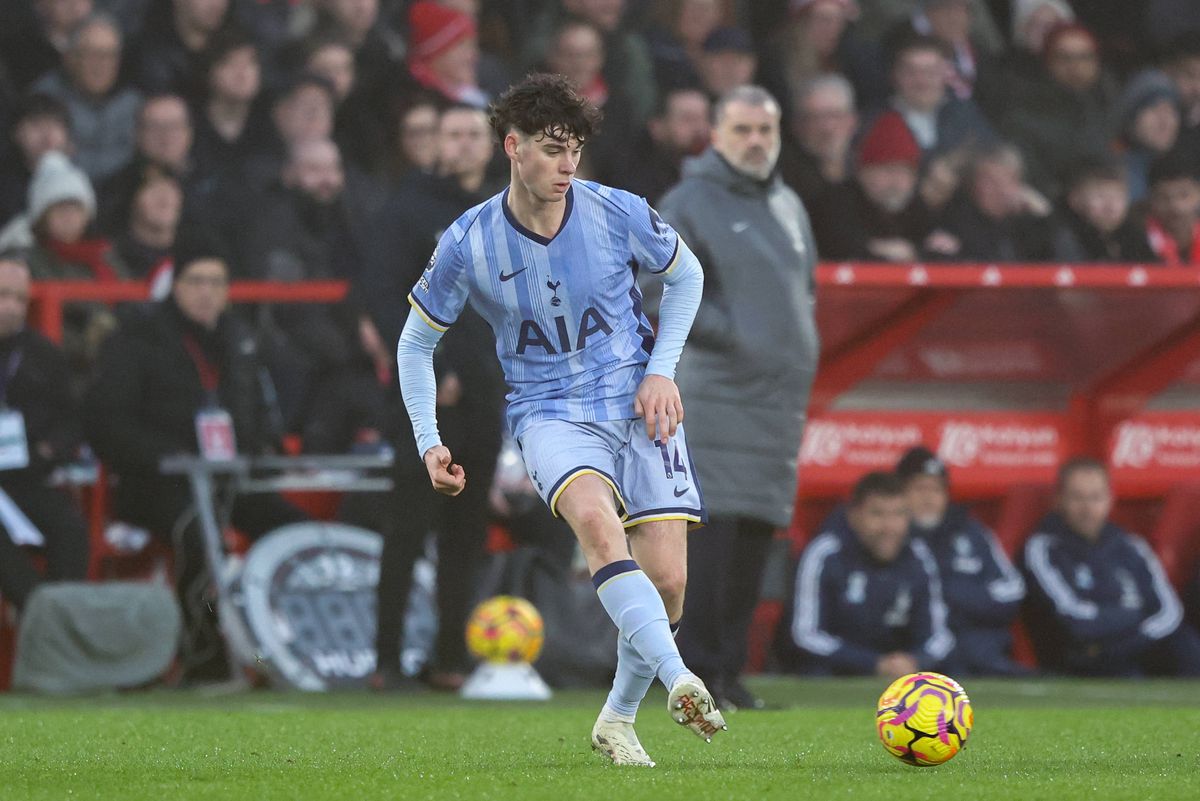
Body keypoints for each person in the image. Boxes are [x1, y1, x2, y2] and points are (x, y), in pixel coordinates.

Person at [395, 73, 723, 767]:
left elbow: (686, 274)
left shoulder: (616, 210)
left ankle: (617, 717)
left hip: (639, 400)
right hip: (549, 414)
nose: (566, 164)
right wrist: (429, 441)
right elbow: (415, 342)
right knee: (601, 531)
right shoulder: (468, 241)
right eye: (551, 149)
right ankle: (680, 680)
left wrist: (663, 368)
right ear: (512, 147)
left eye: (573, 149)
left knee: (666, 582)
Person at [657, 85, 818, 712]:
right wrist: (740, 337)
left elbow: (802, 295)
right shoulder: (688, 202)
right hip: (716, 398)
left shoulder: (788, 204)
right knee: (712, 538)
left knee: (754, 538)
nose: (756, 142)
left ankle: (728, 671)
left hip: (775, 405)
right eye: (743, 130)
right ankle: (694, 674)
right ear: (717, 135)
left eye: (766, 130)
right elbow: (654, 288)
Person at [83, 233, 306, 682]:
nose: (207, 292)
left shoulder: (238, 339)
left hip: (227, 480)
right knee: (196, 532)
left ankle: (290, 651)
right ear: (175, 285)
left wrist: (263, 446)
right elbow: (105, 422)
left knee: (294, 531)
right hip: (157, 483)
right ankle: (203, 658)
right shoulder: (136, 339)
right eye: (196, 281)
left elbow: (257, 412)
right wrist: (168, 456)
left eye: (217, 282)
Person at [359, 104, 506, 692]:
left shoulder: (507, 208)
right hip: (426, 397)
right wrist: (430, 364)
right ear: (436, 143)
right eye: (454, 134)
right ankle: (387, 658)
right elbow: (380, 292)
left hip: (487, 393)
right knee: (408, 526)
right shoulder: (406, 209)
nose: (465, 145)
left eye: (476, 134)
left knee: (468, 530)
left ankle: (450, 658)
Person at [1021, 458, 1200, 677]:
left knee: (1188, 650)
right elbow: (1073, 620)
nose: (1087, 508)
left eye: (1095, 497)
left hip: (1140, 642)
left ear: (1109, 499)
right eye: (1077, 497)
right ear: (1059, 500)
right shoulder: (1043, 547)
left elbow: (1169, 611)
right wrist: (1133, 616)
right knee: (1115, 665)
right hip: (1088, 652)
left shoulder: (1131, 545)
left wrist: (1137, 636)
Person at [787, 471, 955, 677]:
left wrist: (915, 660)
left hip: (900, 674)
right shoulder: (825, 553)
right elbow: (806, 634)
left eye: (898, 514)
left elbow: (939, 635)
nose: (889, 526)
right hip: (835, 673)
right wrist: (873, 663)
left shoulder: (918, 556)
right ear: (854, 515)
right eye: (877, 514)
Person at [0, 254, 89, 611]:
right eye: (3, 294)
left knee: (70, 529)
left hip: (27, 476)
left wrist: (51, 450)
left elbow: (72, 419)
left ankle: (54, 624)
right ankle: (46, 621)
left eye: (20, 298)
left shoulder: (42, 354)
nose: (11, 306)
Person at [895, 447, 1026, 676]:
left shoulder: (971, 532)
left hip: (980, 647)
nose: (928, 497)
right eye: (919, 488)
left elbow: (1012, 592)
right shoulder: (891, 536)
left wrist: (954, 594)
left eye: (936, 489)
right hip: (917, 651)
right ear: (900, 492)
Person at [31, 12, 142, 182]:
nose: (102, 65)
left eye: (109, 55)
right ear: (70, 58)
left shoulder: (134, 102)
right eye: (92, 54)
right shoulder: (44, 99)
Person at [614, 86, 710, 206]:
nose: (700, 129)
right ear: (657, 127)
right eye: (687, 119)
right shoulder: (634, 185)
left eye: (705, 118)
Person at [1052, 157, 1159, 263]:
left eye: (1118, 197)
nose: (1110, 207)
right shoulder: (1064, 239)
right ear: (1075, 201)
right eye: (1100, 196)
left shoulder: (1137, 238)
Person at [778, 74, 858, 209]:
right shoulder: (783, 182)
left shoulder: (869, 170)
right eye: (815, 118)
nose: (827, 128)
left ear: (853, 121)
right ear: (797, 125)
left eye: (835, 116)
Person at [1112, 71, 1184, 203]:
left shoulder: (1179, 169)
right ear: (1131, 118)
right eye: (1154, 109)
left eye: (1171, 111)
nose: (1165, 121)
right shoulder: (1115, 172)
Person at [1144, 151, 1200, 267]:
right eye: (1164, 198)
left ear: (1198, 194)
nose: (1175, 206)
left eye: (1184, 195)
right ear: (1151, 201)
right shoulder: (1137, 241)